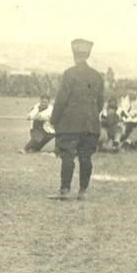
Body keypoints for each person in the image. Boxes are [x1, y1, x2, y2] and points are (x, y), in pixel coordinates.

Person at [49, 39, 104, 200]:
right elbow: (100, 103)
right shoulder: (97, 76)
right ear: (88, 54)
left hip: (70, 124)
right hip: (91, 125)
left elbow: (61, 99)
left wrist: (54, 119)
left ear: (74, 55)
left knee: (67, 156)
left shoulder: (69, 73)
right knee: (86, 157)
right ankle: (83, 192)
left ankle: (65, 190)